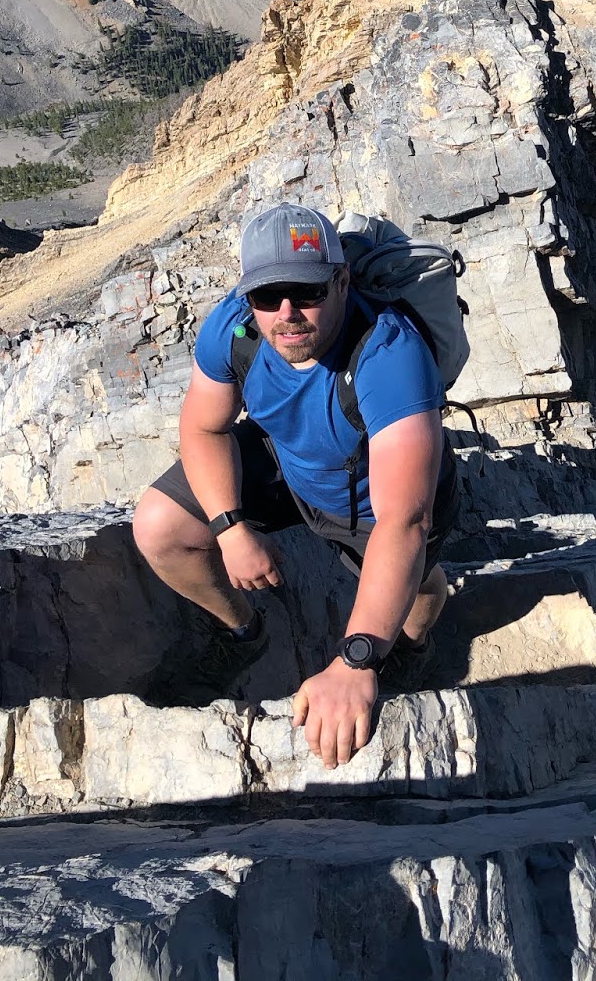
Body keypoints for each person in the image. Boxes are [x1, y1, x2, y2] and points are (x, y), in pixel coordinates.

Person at [132, 202, 460, 768]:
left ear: (341, 280)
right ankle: (243, 631)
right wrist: (230, 529)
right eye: (268, 296)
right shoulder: (235, 329)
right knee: (160, 525)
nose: (287, 313)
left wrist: (356, 660)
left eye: (306, 293)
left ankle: (410, 648)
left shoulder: (388, 357)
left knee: (420, 590)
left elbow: (405, 523)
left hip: (367, 499)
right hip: (287, 461)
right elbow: (204, 427)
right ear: (248, 295)